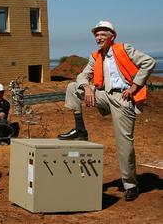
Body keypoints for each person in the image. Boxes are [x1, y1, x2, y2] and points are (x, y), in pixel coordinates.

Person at [58, 20, 156, 201]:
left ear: (112, 36)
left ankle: (131, 184)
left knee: (124, 143)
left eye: (102, 34)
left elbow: (149, 62)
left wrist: (135, 86)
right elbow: (82, 75)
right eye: (96, 34)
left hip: (123, 98)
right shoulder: (95, 56)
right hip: (104, 95)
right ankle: (80, 129)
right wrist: (87, 88)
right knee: (73, 87)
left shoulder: (124, 49)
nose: (98, 37)